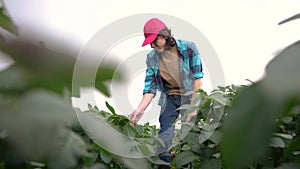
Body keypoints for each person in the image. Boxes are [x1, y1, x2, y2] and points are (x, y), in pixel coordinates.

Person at [129, 17, 203, 169]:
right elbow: (150, 88)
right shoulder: (152, 57)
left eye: (154, 41)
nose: (152, 45)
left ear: (163, 35)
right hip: (170, 98)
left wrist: (193, 108)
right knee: (164, 137)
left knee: (187, 137)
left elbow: (197, 81)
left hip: (190, 96)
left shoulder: (189, 48)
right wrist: (140, 110)